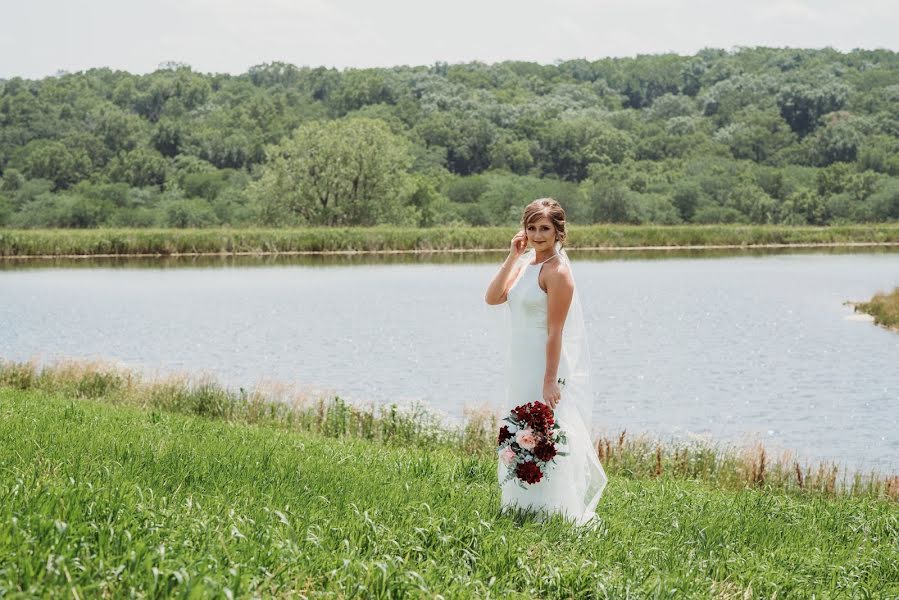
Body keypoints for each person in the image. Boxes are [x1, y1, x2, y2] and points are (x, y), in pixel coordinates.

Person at [484, 198, 607, 526]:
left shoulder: (558, 273)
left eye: (544, 229)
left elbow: (555, 332)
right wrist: (513, 255)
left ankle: (552, 510)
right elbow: (493, 296)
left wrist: (550, 380)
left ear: (558, 233)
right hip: (521, 361)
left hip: (545, 364)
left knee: (543, 434)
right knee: (518, 431)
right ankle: (520, 504)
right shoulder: (525, 264)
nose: (538, 235)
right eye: (532, 227)